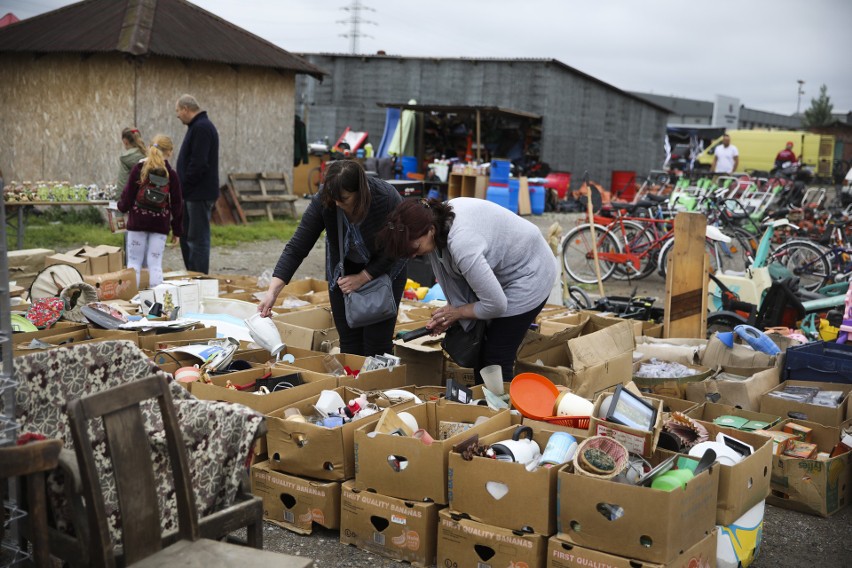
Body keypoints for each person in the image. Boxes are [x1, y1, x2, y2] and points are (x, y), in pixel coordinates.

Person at [379, 197, 557, 384]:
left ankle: (501, 411)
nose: (414, 254)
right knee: (481, 354)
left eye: (415, 247)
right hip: (504, 272)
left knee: (495, 358)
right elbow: (453, 279)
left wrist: (457, 313)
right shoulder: (433, 223)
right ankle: (486, 405)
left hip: (531, 272)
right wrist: (450, 313)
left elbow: (496, 305)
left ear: (430, 230)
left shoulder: (462, 243)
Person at [258, 160, 407, 357]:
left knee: (376, 344)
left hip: (385, 271)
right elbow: (297, 247)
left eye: (344, 198)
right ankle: (352, 386)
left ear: (359, 191)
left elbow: (397, 247)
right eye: (333, 198)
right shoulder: (325, 199)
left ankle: (374, 385)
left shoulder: (386, 198)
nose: (337, 204)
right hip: (343, 273)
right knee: (349, 342)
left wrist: (363, 277)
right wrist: (272, 293)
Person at [117, 135, 183, 288]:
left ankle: (133, 300)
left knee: (134, 262)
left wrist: (121, 207)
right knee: (155, 263)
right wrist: (177, 231)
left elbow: (127, 196)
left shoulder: (139, 169)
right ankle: (157, 303)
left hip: (137, 222)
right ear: (170, 152)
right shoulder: (170, 174)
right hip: (160, 225)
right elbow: (178, 204)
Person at [175, 94, 219, 274]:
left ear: (186, 109)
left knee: (197, 239)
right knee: (187, 237)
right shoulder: (197, 127)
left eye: (178, 111)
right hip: (192, 194)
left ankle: (199, 278)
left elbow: (199, 164)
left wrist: (183, 187)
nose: (177, 115)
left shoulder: (201, 128)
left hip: (198, 194)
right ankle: (192, 275)